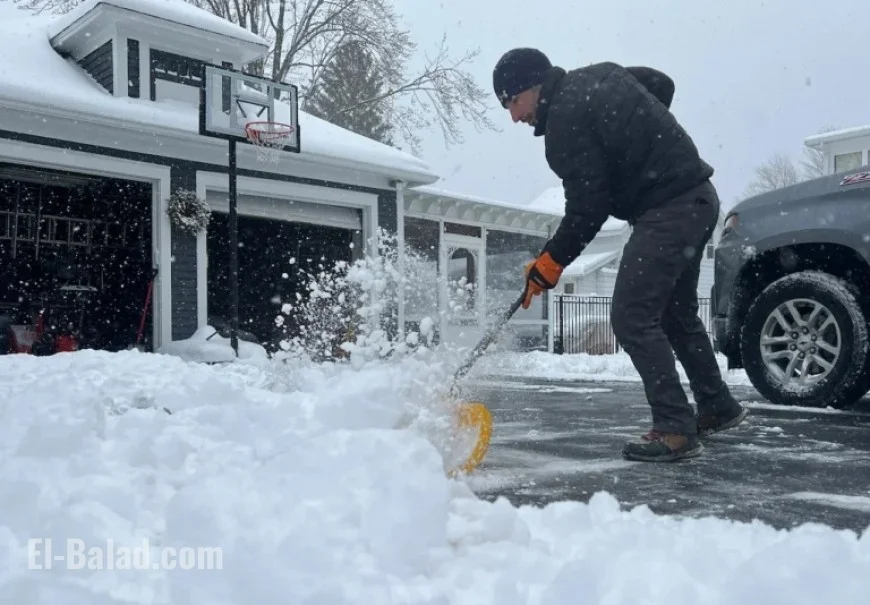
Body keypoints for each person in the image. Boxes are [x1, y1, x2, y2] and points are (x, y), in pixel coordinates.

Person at [493, 48, 748, 462]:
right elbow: (660, 83)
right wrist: (637, 140)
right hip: (699, 199)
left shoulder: (562, 124)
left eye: (512, 102)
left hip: (668, 208)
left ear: (533, 87)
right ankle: (717, 405)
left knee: (631, 316)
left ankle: (674, 428)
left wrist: (551, 261)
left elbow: (588, 208)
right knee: (676, 312)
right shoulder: (601, 76)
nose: (514, 117)